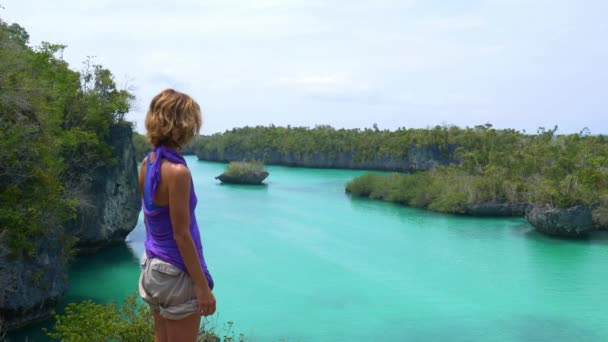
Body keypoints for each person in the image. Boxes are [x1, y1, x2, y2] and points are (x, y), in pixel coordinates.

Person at [138, 88, 216, 342]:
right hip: (175, 274)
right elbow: (181, 235)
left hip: (153, 270)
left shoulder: (147, 164)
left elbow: (151, 220)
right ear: (183, 125)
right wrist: (203, 288)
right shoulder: (177, 172)